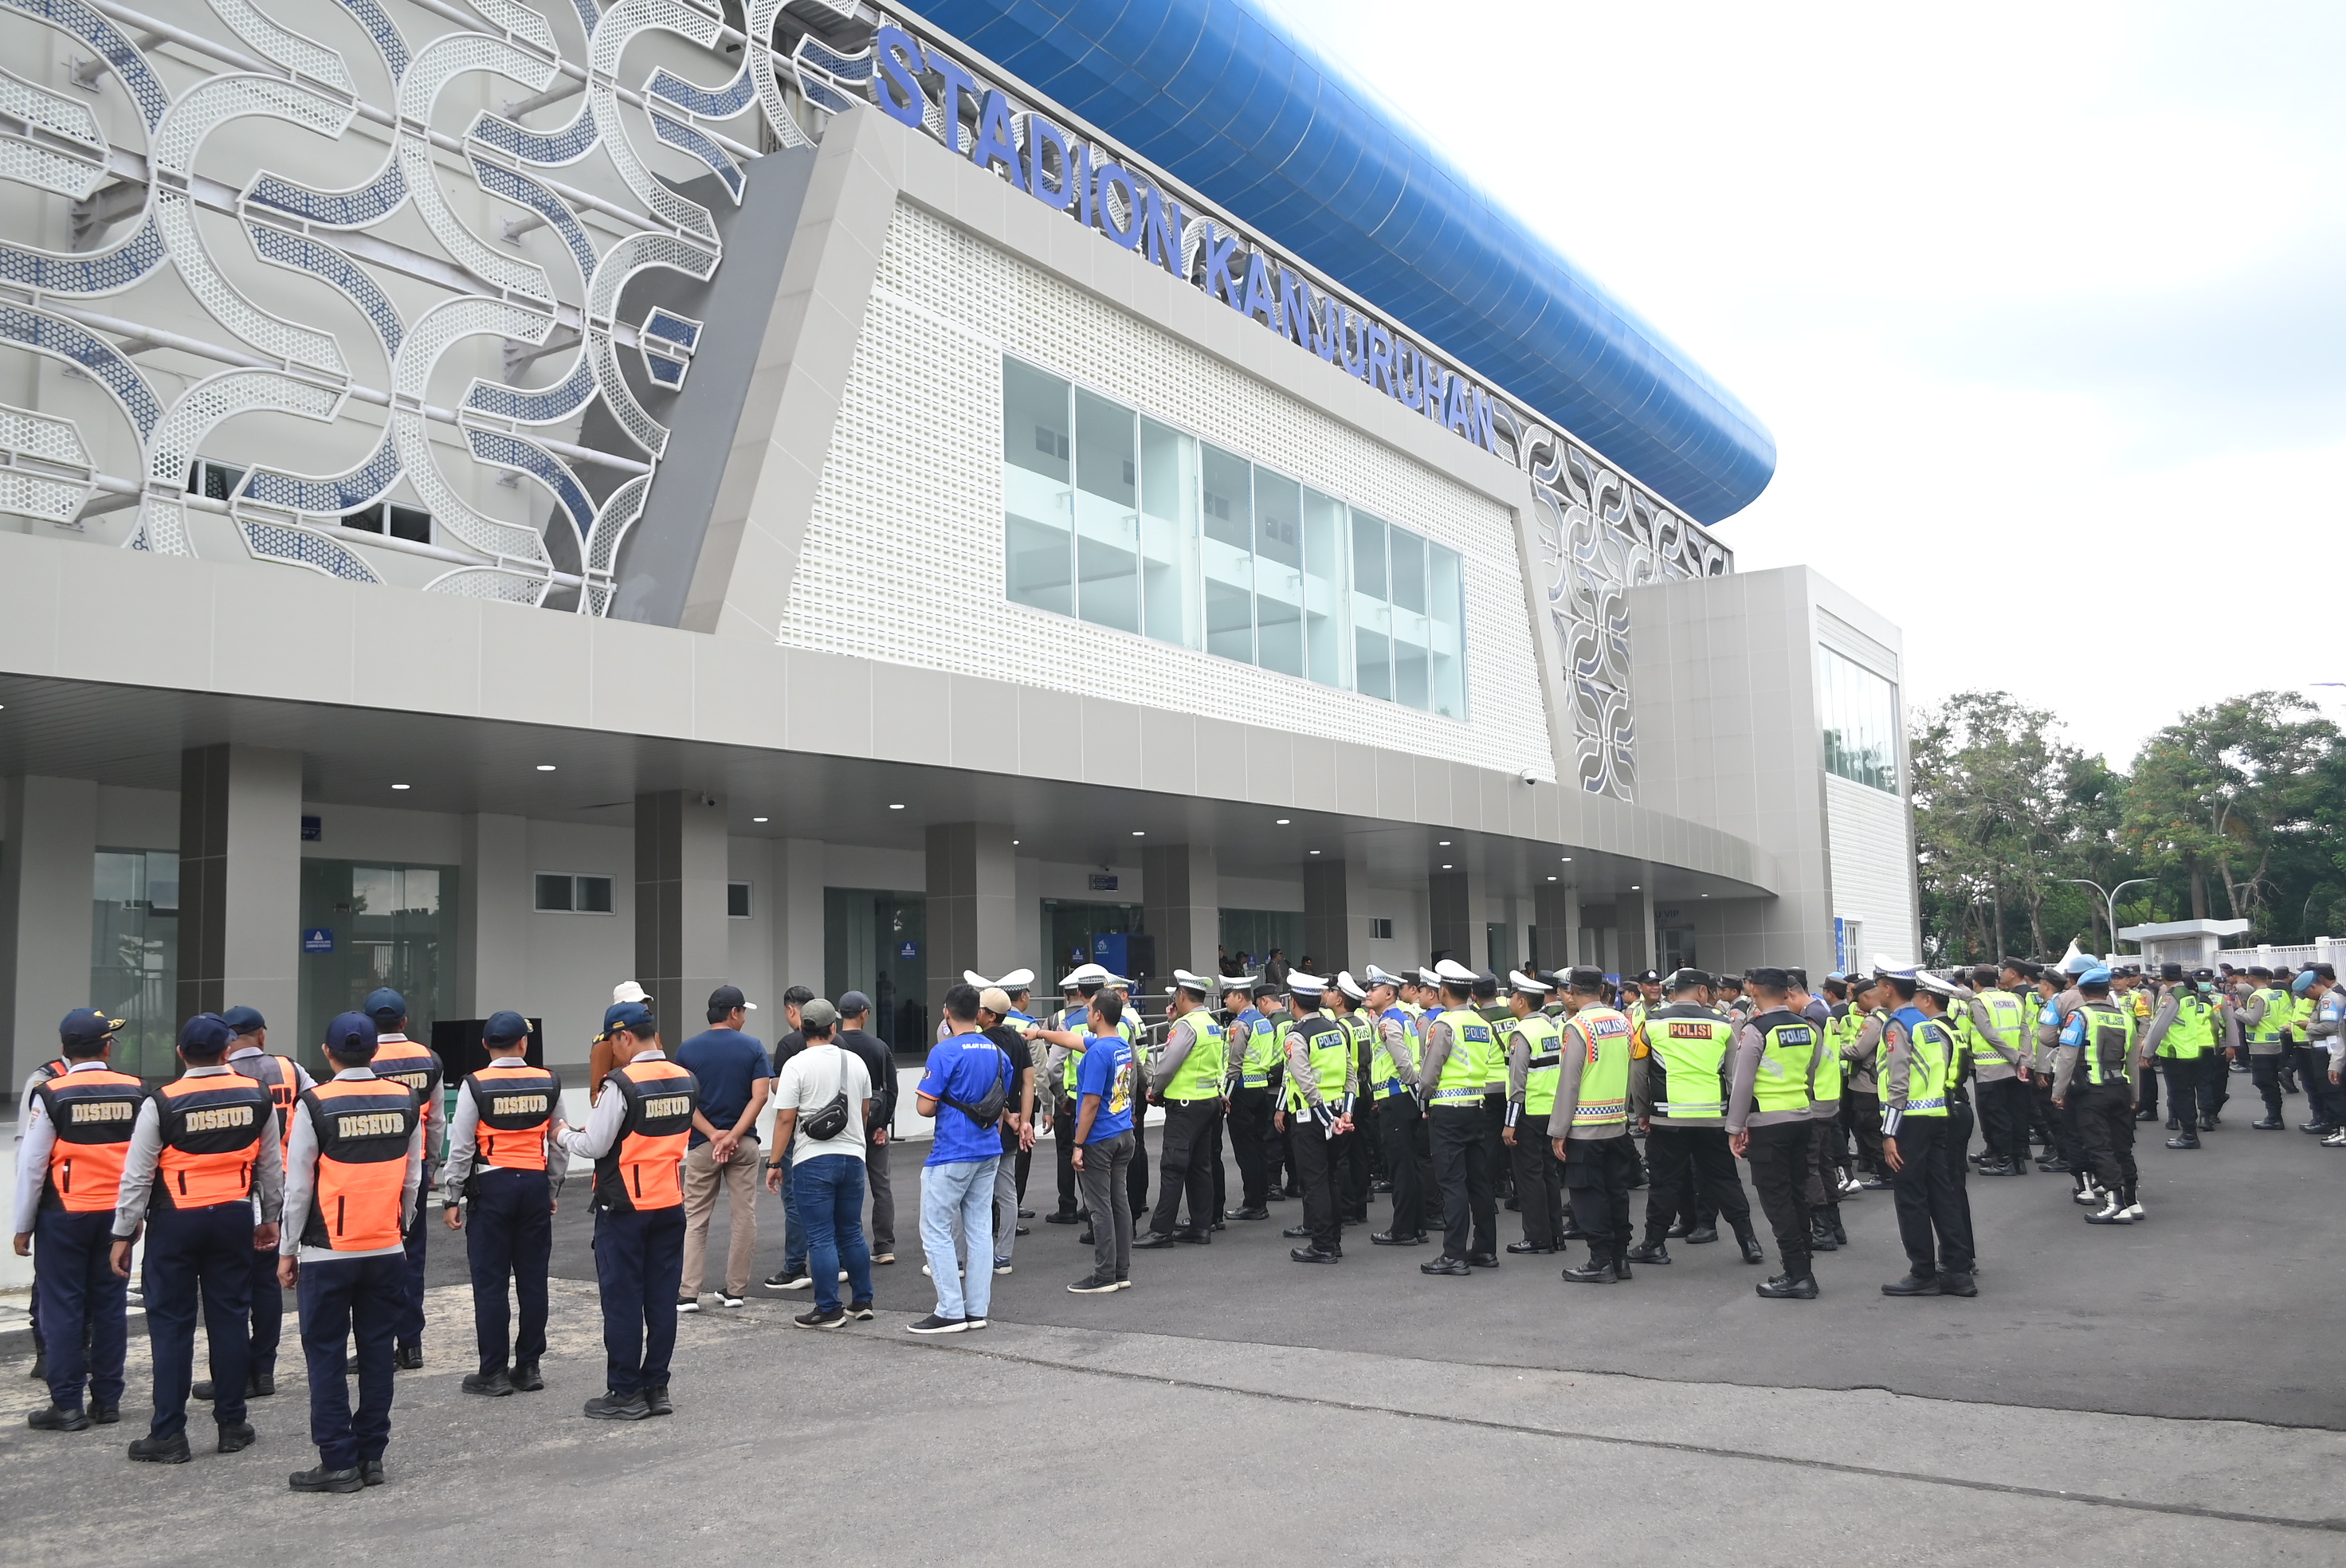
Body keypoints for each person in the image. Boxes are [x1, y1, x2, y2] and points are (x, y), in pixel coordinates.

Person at [110, 1013, 280, 1463]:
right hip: (233, 1216)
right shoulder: (256, 1095)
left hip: (176, 1222)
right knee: (229, 1319)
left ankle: (168, 1434)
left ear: (181, 1053)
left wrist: (124, 1232)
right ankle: (232, 1424)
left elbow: (138, 1175)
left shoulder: (162, 1101)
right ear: (227, 1051)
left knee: (171, 1327)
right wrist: (272, 1217)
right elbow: (271, 1167)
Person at [278, 1011, 423, 1492]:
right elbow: (413, 1179)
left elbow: (298, 1188)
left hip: (327, 1251)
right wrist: (400, 1229)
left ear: (327, 1053)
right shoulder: (405, 1099)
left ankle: (338, 1461)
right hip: (385, 1246)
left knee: (326, 1356)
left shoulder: (314, 1104)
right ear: (375, 1052)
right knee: (378, 1354)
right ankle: (372, 1456)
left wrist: (287, 1248)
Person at [555, 1000, 696, 1420]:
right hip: (669, 1200)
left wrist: (563, 1135)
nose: (611, 1051)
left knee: (622, 1301)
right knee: (660, 1300)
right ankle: (657, 1387)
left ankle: (625, 1392)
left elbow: (596, 1145)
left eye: (611, 1042)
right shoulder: (685, 1077)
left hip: (624, 1206)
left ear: (623, 1037)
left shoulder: (621, 1083)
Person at [14, 1009, 143, 1431]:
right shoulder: (136, 1090)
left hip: (65, 1215)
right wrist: (136, 1214)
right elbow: (146, 1159)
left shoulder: (51, 1092)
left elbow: (33, 1164)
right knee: (109, 1306)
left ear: (64, 1051)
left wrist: (22, 1224)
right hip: (116, 1217)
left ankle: (67, 1404)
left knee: (63, 1307)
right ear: (107, 1047)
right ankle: (107, 1401)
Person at [440, 1009, 561, 1397]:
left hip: (492, 1184)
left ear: (485, 1045)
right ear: (524, 1044)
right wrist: (552, 1189)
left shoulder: (475, 1085)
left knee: (491, 1283)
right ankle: (529, 1367)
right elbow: (559, 1143)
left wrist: (452, 1195)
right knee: (532, 1280)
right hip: (534, 1184)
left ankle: (492, 1371)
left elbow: (460, 1147)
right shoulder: (548, 1082)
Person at [201, 1005, 308, 1403]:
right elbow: (316, 1108)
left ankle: (230, 1375)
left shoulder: (215, 1074)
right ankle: (263, 1370)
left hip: (230, 1189)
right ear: (261, 1036)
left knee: (227, 1290)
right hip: (281, 1185)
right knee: (267, 1283)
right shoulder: (290, 1069)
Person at [1630, 970, 1764, 1268]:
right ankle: (1749, 1242)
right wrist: (1737, 1121)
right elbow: (1734, 1077)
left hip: (1668, 1118)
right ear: (1703, 992)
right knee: (1725, 1180)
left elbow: (1638, 1076)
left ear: (1676, 991)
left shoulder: (1651, 1023)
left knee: (1664, 1183)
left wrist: (1643, 1113)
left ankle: (1654, 1244)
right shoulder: (1723, 1024)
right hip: (1713, 1118)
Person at [763, 999, 873, 1329]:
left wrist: (773, 1162)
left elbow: (785, 1119)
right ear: (833, 1028)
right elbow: (865, 1110)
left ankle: (828, 1308)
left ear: (802, 1028)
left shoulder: (796, 1065)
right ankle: (862, 1300)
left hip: (813, 1158)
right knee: (851, 1231)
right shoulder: (855, 1063)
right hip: (853, 1157)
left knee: (821, 1236)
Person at [912, 984, 1012, 1331]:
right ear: (978, 1013)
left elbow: (925, 1106)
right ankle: (976, 1309)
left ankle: (950, 1310)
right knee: (980, 1230)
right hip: (989, 1150)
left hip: (952, 1151)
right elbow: (1002, 1102)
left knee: (936, 1228)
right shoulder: (999, 1053)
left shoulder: (944, 1052)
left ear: (946, 1013)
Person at [1724, 969, 1824, 1299]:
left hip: (1768, 1123)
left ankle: (1797, 1275)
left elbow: (1743, 1084)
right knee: (1798, 1194)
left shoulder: (1756, 1030)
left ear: (1752, 989)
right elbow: (1810, 1073)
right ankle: (1803, 1268)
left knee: (1776, 1200)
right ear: (1785, 991)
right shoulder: (1808, 1027)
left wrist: (1735, 1128)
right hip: (1802, 1117)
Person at [1878, 968, 1979, 1294]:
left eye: (1880, 986)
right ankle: (1958, 1271)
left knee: (1911, 1198)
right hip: (1938, 1115)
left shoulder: (1898, 1025)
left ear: (1888, 988)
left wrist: (1889, 1132)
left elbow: (1898, 1083)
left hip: (1910, 1121)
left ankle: (1922, 1273)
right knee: (1942, 1193)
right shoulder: (1928, 1024)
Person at [674, 985, 771, 1311]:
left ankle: (688, 1292)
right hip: (744, 1144)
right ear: (733, 1013)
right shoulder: (753, 1047)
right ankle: (735, 1291)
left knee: (695, 1218)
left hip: (703, 1144)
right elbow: (760, 1096)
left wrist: (715, 1135)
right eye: (743, 1012)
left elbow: (684, 1100)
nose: (744, 1018)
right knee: (744, 1216)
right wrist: (733, 1136)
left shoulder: (688, 1049)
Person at [359, 988, 442, 1370]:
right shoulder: (429, 1059)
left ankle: (374, 1346)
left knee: (371, 1258)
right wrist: (431, 1164)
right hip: (415, 1167)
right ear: (404, 1022)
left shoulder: (362, 1057)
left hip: (371, 1172)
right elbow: (437, 1120)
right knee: (413, 1255)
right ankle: (411, 1344)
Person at [1551, 967, 1638, 1284]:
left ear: (1572, 991)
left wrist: (1558, 1130)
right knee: (1617, 1193)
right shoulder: (1623, 1022)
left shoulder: (1577, 1026)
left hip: (1585, 1127)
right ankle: (1620, 1258)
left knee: (1589, 1196)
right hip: (1616, 1122)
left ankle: (1600, 1260)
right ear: (1602, 989)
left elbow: (1569, 1083)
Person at [1416, 959, 1497, 1276]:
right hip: (1477, 1107)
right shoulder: (1481, 1023)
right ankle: (1485, 1249)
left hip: (1447, 1112)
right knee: (1479, 1181)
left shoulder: (1444, 1025)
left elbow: (1430, 1071)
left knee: (1452, 1183)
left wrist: (1423, 1093)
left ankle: (1454, 1254)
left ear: (1444, 991)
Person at [1138, 970, 1227, 1249]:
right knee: (1201, 1166)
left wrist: (1155, 1089)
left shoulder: (1186, 1027)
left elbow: (1168, 1064)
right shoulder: (1211, 1023)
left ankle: (1161, 1230)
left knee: (1173, 1166)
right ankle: (1201, 1227)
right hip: (1209, 1101)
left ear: (1182, 996)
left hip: (1186, 1105)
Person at [1275, 974, 1355, 1264]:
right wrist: (1344, 1112)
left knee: (1315, 1181)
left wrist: (1325, 1117)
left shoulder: (1296, 1036)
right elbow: (1350, 1074)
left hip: (1312, 1117)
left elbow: (1303, 1081)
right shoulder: (1334, 1029)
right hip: (1336, 1113)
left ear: (1293, 1002)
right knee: (1330, 1177)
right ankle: (1333, 1241)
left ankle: (1322, 1245)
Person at [2054, 966, 2143, 1227]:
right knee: (2122, 1146)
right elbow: (2133, 1062)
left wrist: (2058, 1093)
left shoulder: (2078, 1017)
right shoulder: (2125, 1017)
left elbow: (2067, 1057)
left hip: (2091, 1090)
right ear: (2107, 991)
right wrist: (2135, 1095)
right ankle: (2131, 1200)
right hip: (2121, 1088)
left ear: (2081, 992)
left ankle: (2114, 1203)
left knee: (2099, 1145)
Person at [1067, 990, 1140, 1292]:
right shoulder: (1119, 1044)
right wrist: (1042, 1033)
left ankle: (1104, 1274)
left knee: (1100, 1208)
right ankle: (1121, 1270)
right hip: (1123, 1133)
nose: (1086, 1013)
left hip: (1100, 1137)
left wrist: (1078, 1144)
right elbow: (1077, 1042)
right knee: (1119, 1202)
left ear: (1098, 1015)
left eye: (1089, 1009)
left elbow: (1090, 1103)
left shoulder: (1098, 1053)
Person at [1499, 970, 1566, 1255]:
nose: (1509, 1001)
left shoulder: (1522, 1034)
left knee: (1529, 1178)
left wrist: (1509, 1124)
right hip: (1550, 1111)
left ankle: (1536, 1236)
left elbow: (1517, 1083)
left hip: (1527, 1113)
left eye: (1513, 996)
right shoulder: (1551, 1029)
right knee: (1549, 1174)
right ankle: (1555, 1235)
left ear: (1522, 1001)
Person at [1360, 966, 1428, 1246]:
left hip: (1399, 1098)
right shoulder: (1404, 1017)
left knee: (1400, 1167)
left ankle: (1402, 1230)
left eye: (1373, 989)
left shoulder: (1388, 1022)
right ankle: (1417, 1226)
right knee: (1411, 1165)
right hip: (1401, 1098)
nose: (1367, 993)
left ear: (1389, 993)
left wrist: (1413, 1091)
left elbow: (1403, 1064)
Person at [760, 985, 819, 1292]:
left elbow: (782, 1098)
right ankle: (839, 1263)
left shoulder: (789, 1044)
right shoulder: (841, 1045)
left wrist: (773, 1159)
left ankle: (795, 1266)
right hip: (836, 1133)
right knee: (830, 1200)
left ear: (792, 1010)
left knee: (795, 1200)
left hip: (798, 1131)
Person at [834, 993, 900, 1265]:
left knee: (844, 1189)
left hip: (840, 1128)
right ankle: (884, 1245)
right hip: (874, 1126)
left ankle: (848, 1246)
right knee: (881, 1186)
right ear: (864, 1013)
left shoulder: (833, 1045)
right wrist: (883, 1124)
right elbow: (892, 1089)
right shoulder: (879, 1046)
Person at [975, 986, 1037, 1272]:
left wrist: (1006, 1114)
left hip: (986, 1125)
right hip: (1011, 1128)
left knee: (975, 1193)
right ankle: (1004, 1257)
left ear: (988, 1014)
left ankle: (974, 1254)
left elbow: (983, 1085)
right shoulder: (1017, 1039)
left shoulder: (980, 1042)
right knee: (1007, 1193)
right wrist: (1024, 1120)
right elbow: (1028, 1082)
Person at [2142, 963, 2219, 1149]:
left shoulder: (2172, 996)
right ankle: (2190, 1131)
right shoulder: (2190, 994)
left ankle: (2189, 1135)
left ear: (2163, 976)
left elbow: (2159, 1025)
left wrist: (2147, 1052)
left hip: (2174, 1051)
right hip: (2190, 1048)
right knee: (2188, 1092)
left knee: (2179, 1094)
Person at [1222, 976, 1277, 1217]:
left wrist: (1226, 1095)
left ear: (1239, 996)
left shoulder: (1240, 1024)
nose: (1225, 1000)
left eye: (1227, 995)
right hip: (1262, 1087)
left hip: (1242, 1090)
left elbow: (1235, 1065)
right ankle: (1261, 1199)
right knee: (1259, 1147)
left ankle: (1253, 1203)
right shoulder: (1264, 1021)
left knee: (1245, 1150)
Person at [589, 982, 653, 1102]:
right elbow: (597, 1089)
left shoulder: (652, 1036)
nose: (644, 1006)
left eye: (645, 1002)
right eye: (639, 1003)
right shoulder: (606, 1042)